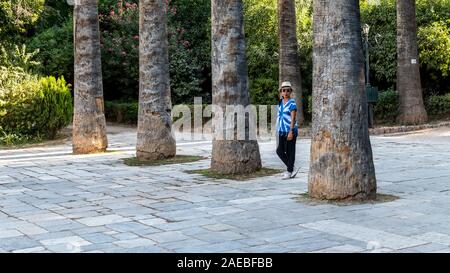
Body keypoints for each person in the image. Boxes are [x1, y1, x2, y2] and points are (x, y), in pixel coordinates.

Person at [276, 81, 301, 180]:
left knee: (290, 151)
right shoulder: (280, 102)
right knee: (279, 151)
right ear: (281, 92)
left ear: (290, 92)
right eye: (283, 90)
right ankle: (292, 168)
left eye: (287, 90)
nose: (285, 92)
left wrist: (291, 131)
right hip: (281, 130)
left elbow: (293, 118)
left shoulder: (292, 103)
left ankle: (289, 171)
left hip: (290, 130)